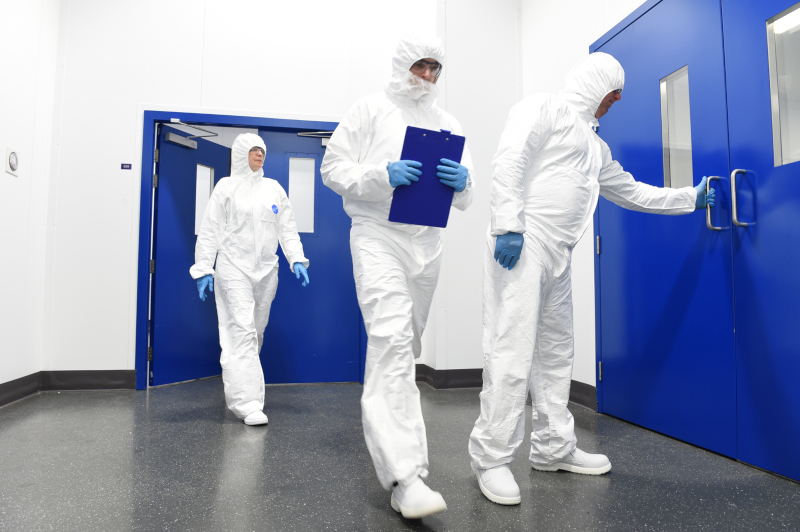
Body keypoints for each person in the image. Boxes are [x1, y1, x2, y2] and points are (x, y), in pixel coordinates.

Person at [468, 52, 715, 505]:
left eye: (618, 96)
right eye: (612, 93)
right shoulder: (544, 107)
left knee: (556, 353)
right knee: (511, 350)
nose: (615, 101)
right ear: (593, 84)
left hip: (559, 254)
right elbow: (510, 159)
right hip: (523, 242)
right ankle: (491, 459)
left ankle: (553, 448)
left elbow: (632, 191)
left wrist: (689, 198)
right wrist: (507, 225)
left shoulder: (595, 147)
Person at [321, 35, 474, 519]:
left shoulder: (448, 124)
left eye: (434, 69)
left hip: (428, 243)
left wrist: (465, 184)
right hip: (377, 235)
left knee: (407, 344)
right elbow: (332, 169)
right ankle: (405, 477)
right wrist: (381, 175)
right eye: (419, 66)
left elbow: (465, 195)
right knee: (389, 339)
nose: (426, 76)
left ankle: (395, 436)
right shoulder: (369, 110)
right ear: (402, 65)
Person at [190, 133, 310, 427]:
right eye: (254, 150)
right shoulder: (226, 186)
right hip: (233, 267)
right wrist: (204, 267)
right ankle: (248, 404)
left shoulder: (273, 188)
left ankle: (240, 383)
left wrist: (296, 257)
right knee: (241, 331)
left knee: (256, 331)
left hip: (267, 270)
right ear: (241, 153)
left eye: (262, 150)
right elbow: (210, 228)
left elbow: (287, 227)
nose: (260, 154)